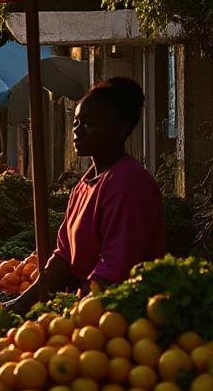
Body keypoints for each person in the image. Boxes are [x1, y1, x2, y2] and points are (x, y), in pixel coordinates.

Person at [9, 78, 165, 313]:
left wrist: (74, 313)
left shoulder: (127, 184)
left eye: (89, 124)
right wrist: (21, 304)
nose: (77, 131)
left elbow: (115, 270)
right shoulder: (84, 184)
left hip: (123, 316)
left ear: (120, 128)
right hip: (88, 308)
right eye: (76, 122)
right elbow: (64, 255)